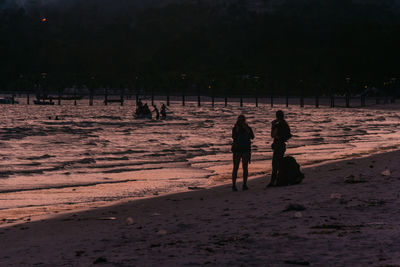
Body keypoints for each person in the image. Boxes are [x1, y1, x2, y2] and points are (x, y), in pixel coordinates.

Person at [268, 110, 292, 187]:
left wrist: (273, 126)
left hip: (278, 145)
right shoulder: (285, 124)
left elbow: (273, 135)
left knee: (275, 164)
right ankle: (280, 179)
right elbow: (289, 135)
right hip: (282, 145)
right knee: (279, 163)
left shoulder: (278, 125)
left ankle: (273, 181)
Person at [231, 114, 254, 191]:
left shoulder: (247, 128)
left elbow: (252, 137)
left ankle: (244, 184)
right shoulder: (235, 128)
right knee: (236, 168)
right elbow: (234, 137)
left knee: (245, 167)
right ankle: (234, 185)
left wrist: (246, 129)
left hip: (245, 150)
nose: (241, 122)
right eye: (240, 120)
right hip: (237, 150)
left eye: (242, 120)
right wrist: (237, 130)